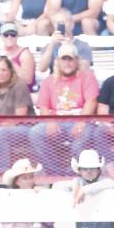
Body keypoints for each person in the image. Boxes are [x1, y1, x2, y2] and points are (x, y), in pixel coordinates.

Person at [29, 44, 99, 175]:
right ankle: (55, 173)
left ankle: (72, 173)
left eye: (71, 59)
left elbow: (91, 101)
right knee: (35, 132)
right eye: (64, 59)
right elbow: (43, 105)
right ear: (58, 61)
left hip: (80, 121)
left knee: (83, 138)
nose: (68, 63)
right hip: (56, 122)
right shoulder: (49, 81)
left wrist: (82, 122)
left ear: (77, 60)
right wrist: (49, 122)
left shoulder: (86, 77)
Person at [0, 56, 35, 172]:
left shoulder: (19, 86)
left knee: (0, 133)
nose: (0, 73)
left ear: (10, 71)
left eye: (4, 70)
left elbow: (18, 118)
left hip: (24, 128)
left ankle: (1, 172)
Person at [37, 9, 93, 74]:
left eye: (63, 22)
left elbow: (84, 69)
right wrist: (51, 45)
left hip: (77, 81)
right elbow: (42, 69)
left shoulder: (82, 45)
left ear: (72, 24)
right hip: (56, 81)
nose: (60, 26)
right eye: (56, 23)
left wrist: (69, 47)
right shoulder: (50, 45)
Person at [0, 22, 37, 91]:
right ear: (1, 36)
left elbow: (28, 80)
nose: (9, 37)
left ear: (17, 36)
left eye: (13, 34)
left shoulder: (25, 54)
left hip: (22, 92)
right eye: (6, 35)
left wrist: (10, 61)